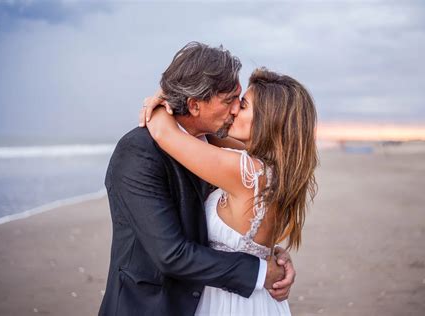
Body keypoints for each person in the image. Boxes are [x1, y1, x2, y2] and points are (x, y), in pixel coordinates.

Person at [99, 42, 295, 316]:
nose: (236, 109)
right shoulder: (138, 152)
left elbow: (234, 222)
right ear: (194, 105)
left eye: (240, 100)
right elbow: (171, 254)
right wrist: (261, 270)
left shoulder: (219, 150)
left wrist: (265, 252)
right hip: (152, 305)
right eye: (229, 101)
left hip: (213, 300)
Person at [141, 67, 318, 315]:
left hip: (230, 301)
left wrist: (159, 101)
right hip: (256, 299)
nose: (234, 109)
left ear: (269, 119)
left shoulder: (247, 172)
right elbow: (210, 132)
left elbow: (163, 132)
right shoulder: (277, 170)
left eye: (243, 105)